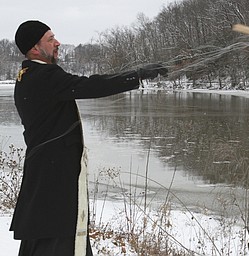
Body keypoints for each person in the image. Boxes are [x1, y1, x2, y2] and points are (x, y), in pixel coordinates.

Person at [10, 20, 168, 256]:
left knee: (46, 231)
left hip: (45, 171)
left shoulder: (28, 75)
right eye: (50, 39)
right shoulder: (44, 76)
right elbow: (90, 86)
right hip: (54, 177)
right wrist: (136, 76)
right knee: (59, 233)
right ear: (35, 48)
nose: (57, 43)